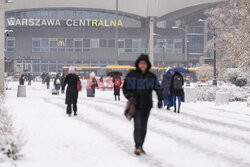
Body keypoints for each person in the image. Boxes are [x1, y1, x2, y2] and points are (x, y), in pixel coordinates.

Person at [123, 54, 163, 156]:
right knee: (138, 125)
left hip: (147, 105)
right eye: (141, 63)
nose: (142, 65)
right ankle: (137, 146)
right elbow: (125, 88)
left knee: (144, 127)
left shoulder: (151, 76)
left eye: (144, 63)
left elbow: (158, 88)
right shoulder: (132, 74)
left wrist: (160, 98)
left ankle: (141, 145)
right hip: (136, 104)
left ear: (147, 64)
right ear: (138, 64)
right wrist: (130, 97)